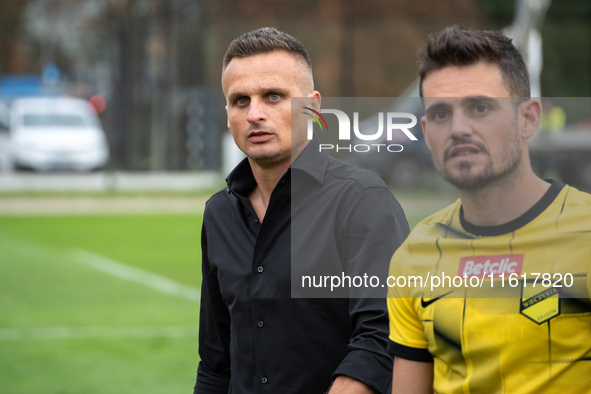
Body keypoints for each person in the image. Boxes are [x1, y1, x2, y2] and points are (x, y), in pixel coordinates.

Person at [194, 27, 410, 394]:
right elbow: (216, 364)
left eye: (273, 96)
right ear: (227, 114)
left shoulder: (361, 201)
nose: (255, 113)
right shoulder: (219, 214)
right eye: (240, 100)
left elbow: (383, 336)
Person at [387, 26, 591, 393]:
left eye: (480, 108)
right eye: (440, 114)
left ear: (528, 118)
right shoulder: (413, 257)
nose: (458, 128)